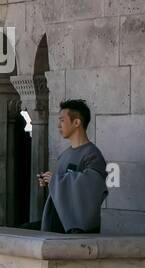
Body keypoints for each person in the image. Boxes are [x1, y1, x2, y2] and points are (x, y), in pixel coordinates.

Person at [39, 99, 108, 233]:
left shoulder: (92, 155)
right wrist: (50, 181)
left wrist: (56, 180)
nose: (58, 125)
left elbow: (92, 187)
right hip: (56, 223)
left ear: (76, 122)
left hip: (77, 229)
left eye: (62, 120)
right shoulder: (64, 155)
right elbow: (61, 184)